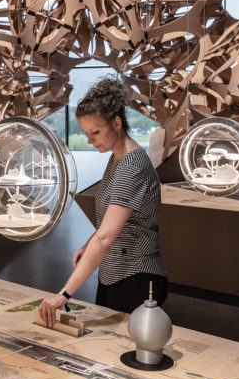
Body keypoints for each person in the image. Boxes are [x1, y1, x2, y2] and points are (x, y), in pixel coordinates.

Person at [38, 76, 167, 327]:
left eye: (95, 132)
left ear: (116, 123)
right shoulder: (116, 159)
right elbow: (110, 221)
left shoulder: (132, 165)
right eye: (86, 133)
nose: (89, 140)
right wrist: (88, 246)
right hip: (112, 274)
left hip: (137, 277)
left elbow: (106, 237)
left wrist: (64, 294)